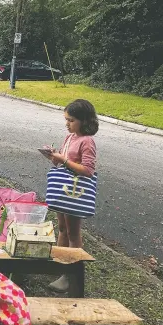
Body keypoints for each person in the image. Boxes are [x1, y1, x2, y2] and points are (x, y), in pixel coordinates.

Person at [46, 99, 98, 293]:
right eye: (66, 119)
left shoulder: (87, 141)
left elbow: (88, 170)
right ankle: (60, 266)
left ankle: (71, 274)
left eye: (71, 120)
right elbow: (61, 163)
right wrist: (54, 157)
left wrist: (64, 160)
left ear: (84, 121)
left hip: (76, 193)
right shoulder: (70, 138)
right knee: (62, 228)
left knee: (73, 233)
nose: (67, 124)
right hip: (64, 191)